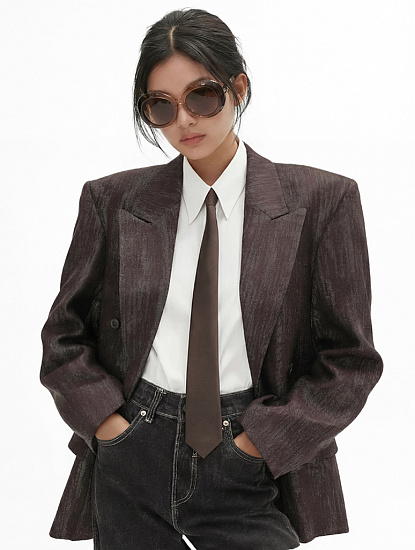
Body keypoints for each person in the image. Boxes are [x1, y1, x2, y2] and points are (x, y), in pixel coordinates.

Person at [40, 8, 383, 550]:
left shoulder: (322, 201)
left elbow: (351, 361)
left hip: (246, 452)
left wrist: (260, 443)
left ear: (238, 89)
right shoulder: (113, 201)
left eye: (201, 96)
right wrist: (108, 425)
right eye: (161, 106)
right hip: (133, 446)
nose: (184, 120)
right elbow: (64, 334)